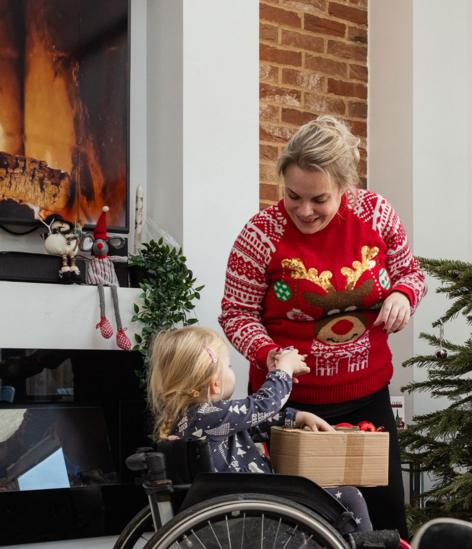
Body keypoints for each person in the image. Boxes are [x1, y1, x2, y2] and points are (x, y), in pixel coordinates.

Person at [219, 115, 425, 537]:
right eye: (293, 196)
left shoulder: (377, 214)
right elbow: (236, 313)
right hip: (289, 405)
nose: (304, 210)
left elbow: (411, 272)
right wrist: (270, 354)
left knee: (383, 516)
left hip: (366, 398)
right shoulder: (261, 234)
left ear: (345, 189)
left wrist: (403, 295)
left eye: (319, 199)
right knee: (296, 522)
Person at [147, 326, 372, 531]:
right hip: (254, 510)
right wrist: (284, 369)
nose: (231, 369)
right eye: (229, 366)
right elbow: (264, 404)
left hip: (240, 508)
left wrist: (298, 416)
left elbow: (255, 422)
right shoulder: (207, 416)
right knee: (350, 497)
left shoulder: (194, 419)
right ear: (215, 383)